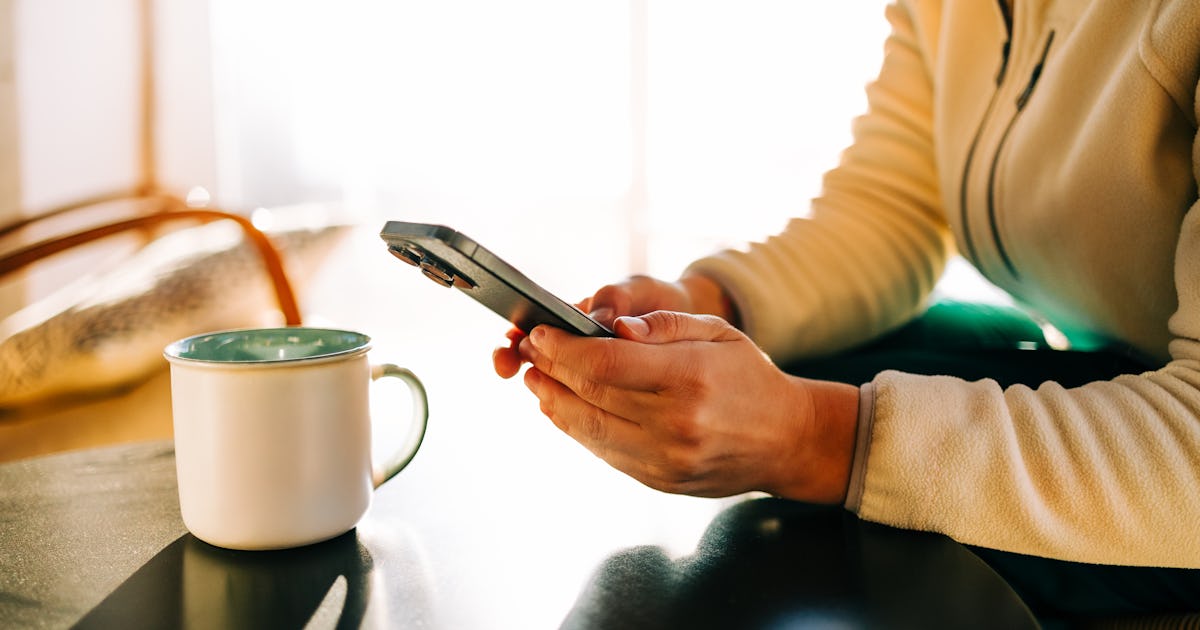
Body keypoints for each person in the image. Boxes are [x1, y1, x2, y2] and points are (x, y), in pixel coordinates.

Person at [494, 0, 1200, 578]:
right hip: (1109, 358)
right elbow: (893, 209)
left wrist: (812, 438)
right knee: (791, 371)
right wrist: (706, 303)